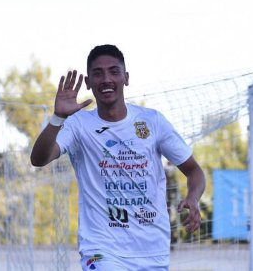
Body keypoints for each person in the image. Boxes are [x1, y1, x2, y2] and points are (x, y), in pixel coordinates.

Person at [30, 44, 206, 271]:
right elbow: (39, 159)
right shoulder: (78, 125)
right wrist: (57, 118)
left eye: (114, 71)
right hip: (102, 247)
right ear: (87, 82)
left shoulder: (152, 122)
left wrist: (192, 198)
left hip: (152, 249)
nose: (106, 79)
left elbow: (195, 171)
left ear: (126, 78)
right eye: (98, 73)